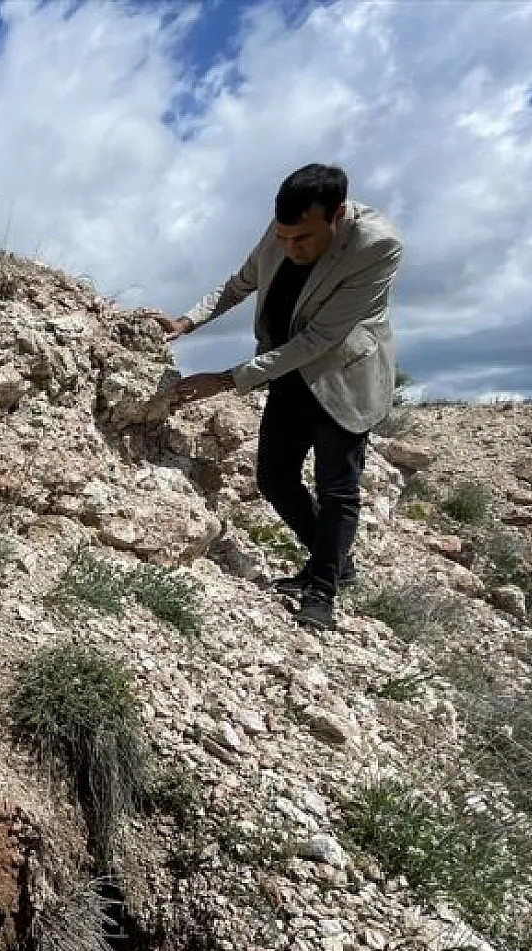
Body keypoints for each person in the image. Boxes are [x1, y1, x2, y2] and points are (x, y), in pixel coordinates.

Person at [153, 163, 403, 631]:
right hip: (284, 368)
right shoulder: (283, 228)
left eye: (303, 238)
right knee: (273, 478)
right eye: (284, 236)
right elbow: (239, 283)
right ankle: (335, 561)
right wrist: (186, 322)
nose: (290, 247)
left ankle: (323, 591)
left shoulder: (377, 247)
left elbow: (320, 340)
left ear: (337, 215)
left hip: (342, 377)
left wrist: (228, 380)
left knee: (337, 490)